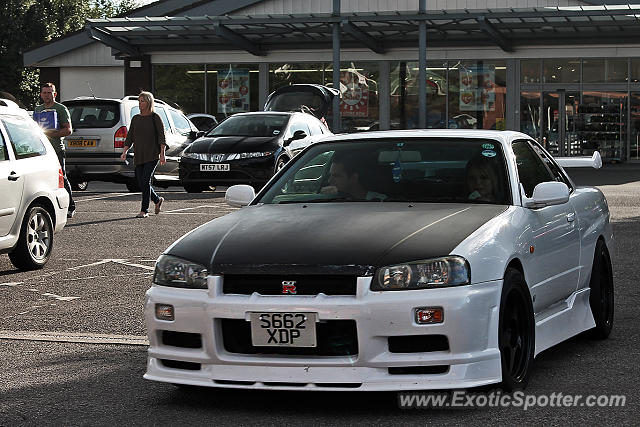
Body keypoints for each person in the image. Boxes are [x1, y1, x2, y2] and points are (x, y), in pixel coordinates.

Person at [119, 91, 167, 218]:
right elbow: (130, 137)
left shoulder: (155, 117)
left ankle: (144, 210)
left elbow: (162, 136)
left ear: (149, 102)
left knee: (145, 181)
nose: (140, 104)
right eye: (139, 101)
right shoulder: (136, 119)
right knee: (141, 182)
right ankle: (157, 200)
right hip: (139, 155)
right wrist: (124, 151)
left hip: (152, 155)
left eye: (142, 101)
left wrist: (162, 154)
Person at [35, 83, 76, 218]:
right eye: (44, 92)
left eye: (49, 92)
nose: (47, 95)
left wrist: (51, 133)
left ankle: (71, 206)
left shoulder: (61, 109)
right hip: (41, 151)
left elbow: (68, 130)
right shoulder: (38, 109)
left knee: (61, 177)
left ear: (55, 94)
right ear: (41, 94)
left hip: (56, 149)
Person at [321, 151, 386, 201]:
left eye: (336, 176)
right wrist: (326, 198)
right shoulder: (331, 199)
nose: (329, 180)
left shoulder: (381, 202)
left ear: (353, 177)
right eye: (330, 175)